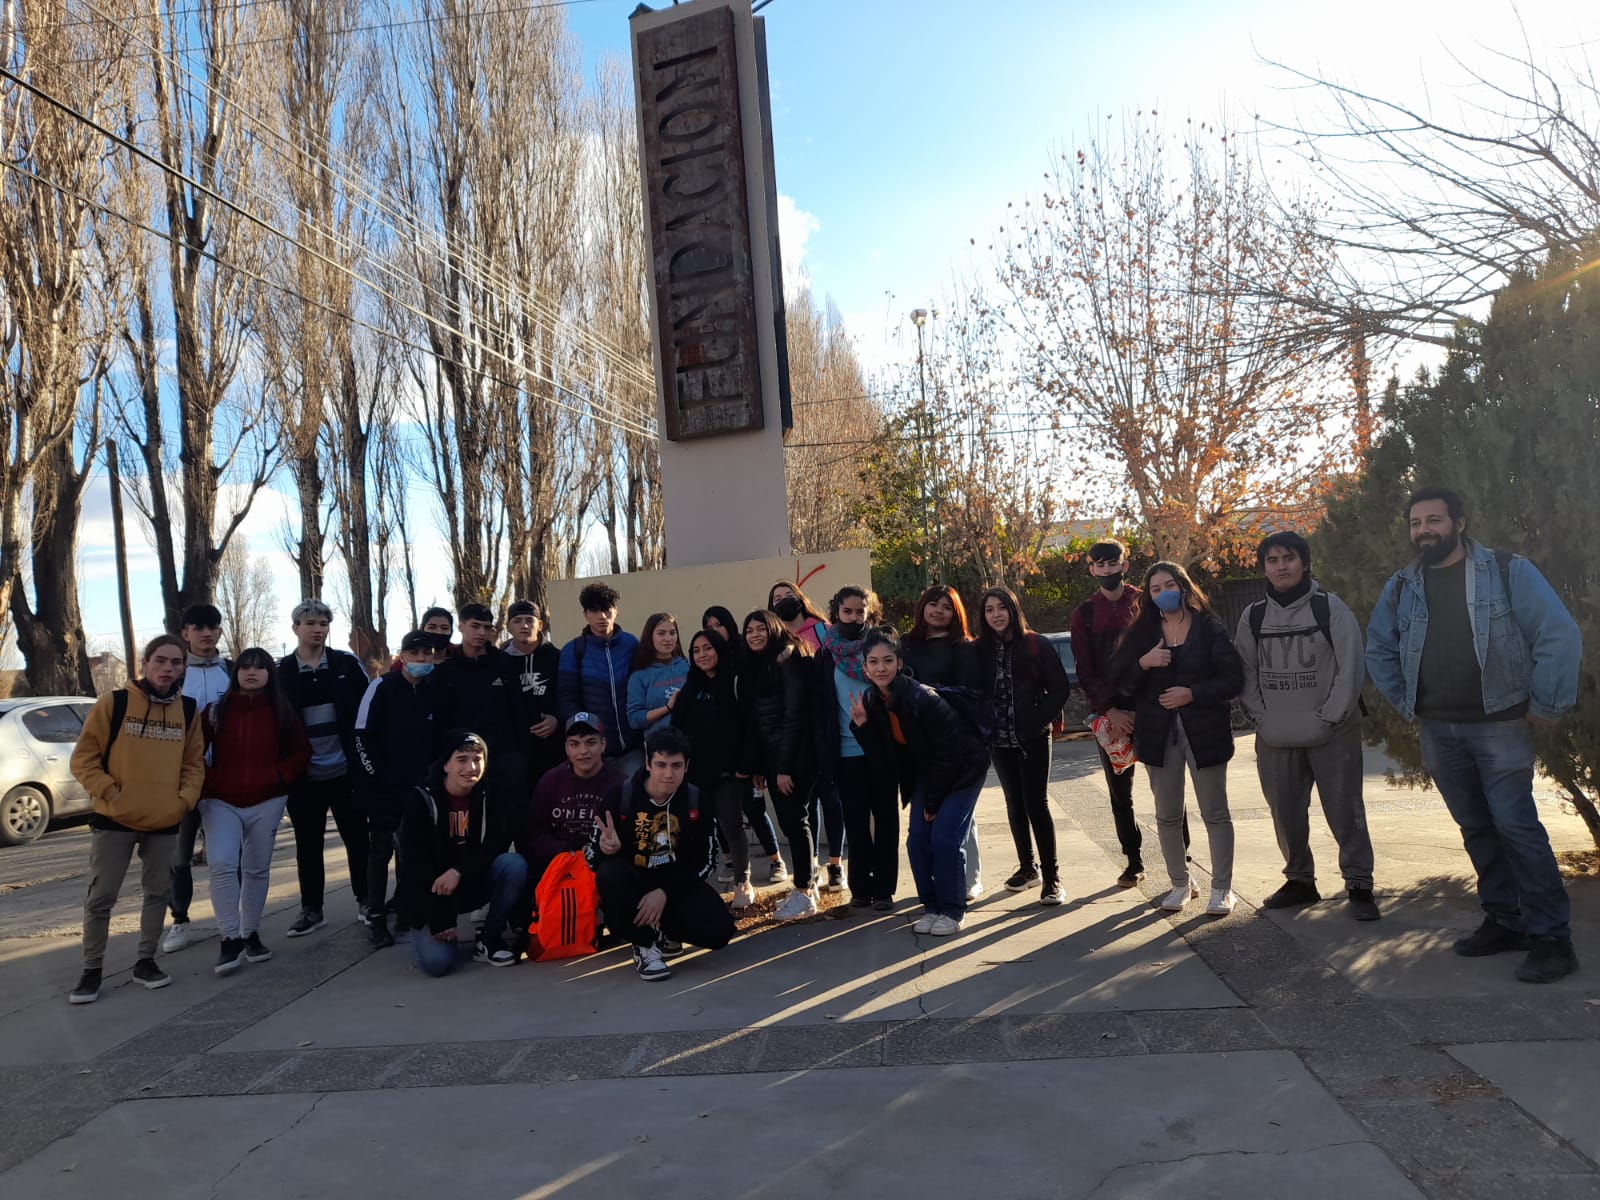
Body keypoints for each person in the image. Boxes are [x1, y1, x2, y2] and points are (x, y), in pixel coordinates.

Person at [1367, 487, 1583, 983]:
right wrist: (1407, 702)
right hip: (1439, 730)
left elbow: (1558, 633)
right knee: (1477, 830)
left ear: (1459, 523)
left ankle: (1552, 939)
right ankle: (1506, 921)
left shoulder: (1508, 571)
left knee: (1517, 829)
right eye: (1416, 522)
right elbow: (1379, 647)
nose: (1424, 530)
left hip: (1500, 726)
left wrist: (1547, 704)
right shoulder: (1403, 586)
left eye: (1434, 520)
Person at [1237, 532, 1380, 921]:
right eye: (1272, 559)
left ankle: (1359, 883)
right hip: (1276, 736)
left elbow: (1351, 667)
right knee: (1285, 813)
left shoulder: (1329, 608)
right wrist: (1261, 719)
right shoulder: (1253, 617)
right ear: (1263, 566)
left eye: (1289, 558)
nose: (1281, 566)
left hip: (1332, 732)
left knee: (1345, 810)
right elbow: (1245, 671)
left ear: (1304, 562)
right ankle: (1300, 879)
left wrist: (1330, 716)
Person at [66, 636, 206, 1004]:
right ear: (145, 663)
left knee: (158, 893)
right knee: (102, 897)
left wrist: (183, 802)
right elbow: (83, 760)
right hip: (114, 819)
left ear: (183, 669)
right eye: (161, 661)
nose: (168, 669)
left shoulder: (188, 711)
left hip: (164, 819)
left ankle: (146, 961)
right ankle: (91, 971)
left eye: (176, 663)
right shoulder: (115, 703)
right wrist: (111, 793)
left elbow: (194, 764)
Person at [1113, 563, 1244, 916]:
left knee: (1215, 813)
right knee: (1167, 815)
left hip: (1205, 732)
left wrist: (1193, 693)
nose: (1163, 592)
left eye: (1169, 585)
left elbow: (1233, 680)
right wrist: (1144, 662)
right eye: (1155, 589)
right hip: (1158, 734)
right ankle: (1180, 884)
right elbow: (1121, 683)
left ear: (1184, 587)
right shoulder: (1141, 634)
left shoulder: (1209, 628)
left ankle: (1222, 889)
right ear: (1148, 596)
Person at [850, 627, 990, 936]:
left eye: (888, 660)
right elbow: (885, 759)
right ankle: (931, 907)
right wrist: (862, 727)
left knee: (945, 839)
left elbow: (951, 753)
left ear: (899, 663)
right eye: (874, 662)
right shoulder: (872, 701)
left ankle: (953, 911)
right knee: (917, 842)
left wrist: (932, 802)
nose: (881, 667)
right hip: (930, 769)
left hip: (964, 766)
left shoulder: (921, 697)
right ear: (865, 668)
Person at [589, 725, 734, 982]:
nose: (668, 774)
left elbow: (707, 861)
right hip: (633, 883)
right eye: (661, 764)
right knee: (609, 873)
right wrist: (605, 849)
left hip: (674, 883)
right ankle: (643, 944)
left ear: (686, 766)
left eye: (676, 766)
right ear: (648, 763)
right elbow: (591, 859)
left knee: (719, 931)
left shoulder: (697, 800)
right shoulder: (618, 797)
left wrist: (665, 892)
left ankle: (665, 930)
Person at [200, 649, 312, 975]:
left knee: (256, 869)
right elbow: (192, 753)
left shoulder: (281, 712)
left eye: (259, 667)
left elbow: (302, 751)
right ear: (235, 672)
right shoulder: (215, 712)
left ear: (269, 674)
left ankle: (250, 934)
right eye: (245, 667)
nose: (251, 672)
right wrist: (211, 781)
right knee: (222, 863)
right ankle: (229, 938)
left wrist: (279, 777)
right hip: (221, 801)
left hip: (268, 800)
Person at [276, 600, 372, 938]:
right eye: (310, 623)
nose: (318, 628)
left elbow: (368, 709)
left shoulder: (346, 664)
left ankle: (366, 900)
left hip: (345, 770)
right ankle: (312, 909)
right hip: (304, 777)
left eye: (323, 623)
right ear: (295, 629)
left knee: (358, 838)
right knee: (308, 843)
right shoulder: (282, 673)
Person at [395, 731, 528, 975]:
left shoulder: (490, 794)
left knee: (513, 864)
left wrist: (458, 871)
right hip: (430, 891)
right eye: (462, 759)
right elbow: (414, 866)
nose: (471, 767)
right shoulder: (420, 800)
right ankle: (436, 932)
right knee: (438, 964)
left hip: (469, 881)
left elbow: (495, 845)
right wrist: (440, 917)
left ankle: (488, 938)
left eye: (478, 759)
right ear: (446, 764)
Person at [975, 586, 1073, 906]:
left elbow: (1059, 688)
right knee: (1014, 804)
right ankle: (1027, 868)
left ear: (1013, 609)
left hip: (1032, 738)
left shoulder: (1036, 644)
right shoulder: (980, 650)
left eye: (1001, 607)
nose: (996, 614)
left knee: (1036, 804)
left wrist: (1037, 719)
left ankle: (1052, 877)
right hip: (999, 741)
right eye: (989, 609)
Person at [1070, 540, 1151, 888]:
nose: (1106, 571)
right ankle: (1133, 860)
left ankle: (1182, 858)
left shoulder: (1146, 603)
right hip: (1111, 716)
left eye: (1112, 563)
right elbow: (1085, 670)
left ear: (1124, 564)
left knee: (1169, 788)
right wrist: (1110, 709)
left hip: (1152, 710)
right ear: (1091, 570)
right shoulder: (1084, 614)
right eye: (1099, 565)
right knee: (1120, 793)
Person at [353, 630, 442, 948]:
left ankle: (406, 910)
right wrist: (377, 777)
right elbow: (362, 735)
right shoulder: (382, 686)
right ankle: (376, 918)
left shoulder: (433, 690)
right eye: (414, 653)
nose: (421, 660)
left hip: (420, 790)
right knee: (380, 852)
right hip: (382, 789)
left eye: (427, 654)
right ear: (401, 656)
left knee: (413, 851)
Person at [674, 630, 771, 909]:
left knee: (731, 825)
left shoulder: (736, 681)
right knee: (698, 830)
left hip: (730, 773)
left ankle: (743, 881)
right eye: (696, 650)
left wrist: (747, 766)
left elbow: (751, 727)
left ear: (719, 650)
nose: (703, 654)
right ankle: (699, 883)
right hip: (695, 775)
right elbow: (677, 729)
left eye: (708, 648)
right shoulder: (690, 687)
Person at [900, 584, 984, 901]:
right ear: (922, 608)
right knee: (933, 823)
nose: (938, 610)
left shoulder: (964, 647)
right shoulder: (906, 645)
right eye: (932, 604)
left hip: (961, 743)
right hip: (920, 746)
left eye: (946, 606)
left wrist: (928, 691)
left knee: (959, 818)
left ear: (956, 613)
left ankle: (969, 878)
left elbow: (973, 694)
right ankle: (943, 880)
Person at [816, 585, 898, 910]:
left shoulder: (880, 647)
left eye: (859, 611)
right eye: (847, 611)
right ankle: (861, 888)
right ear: (836, 612)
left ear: (868, 612)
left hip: (880, 750)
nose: (853, 617)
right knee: (856, 823)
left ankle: (885, 890)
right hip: (846, 754)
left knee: (886, 821)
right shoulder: (826, 654)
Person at [740, 609, 821, 921]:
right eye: (750, 630)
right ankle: (806, 889)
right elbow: (761, 723)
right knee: (792, 822)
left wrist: (784, 768)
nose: (755, 635)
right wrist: (763, 766)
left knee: (795, 822)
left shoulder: (787, 662)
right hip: (775, 757)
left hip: (793, 757)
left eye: (761, 628)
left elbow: (792, 718)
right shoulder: (763, 664)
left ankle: (803, 893)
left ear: (773, 628)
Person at [161, 603, 232, 955]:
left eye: (213, 627)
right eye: (198, 627)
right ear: (185, 633)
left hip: (225, 781)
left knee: (227, 857)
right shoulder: (172, 675)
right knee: (179, 857)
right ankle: (180, 921)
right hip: (181, 781)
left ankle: (233, 922)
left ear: (220, 631)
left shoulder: (234, 671)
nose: (206, 633)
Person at [432, 602, 528, 815]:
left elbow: (519, 713)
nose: (481, 632)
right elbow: (441, 720)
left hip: (504, 760)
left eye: (486, 627)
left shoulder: (505, 664)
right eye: (475, 626)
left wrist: (519, 758)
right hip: (464, 762)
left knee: (510, 822)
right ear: (461, 626)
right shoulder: (446, 671)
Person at [523, 713, 627, 898]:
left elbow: (631, 833)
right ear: (566, 748)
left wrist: (614, 847)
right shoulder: (550, 781)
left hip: (602, 861)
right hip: (559, 860)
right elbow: (534, 832)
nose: (583, 751)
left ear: (603, 745)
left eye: (590, 742)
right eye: (574, 744)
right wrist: (566, 852)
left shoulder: (621, 784)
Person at [558, 582, 644, 778]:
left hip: (634, 749)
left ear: (616, 611)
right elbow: (567, 698)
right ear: (585, 614)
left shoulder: (632, 644)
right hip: (594, 755)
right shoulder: (572, 651)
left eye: (606, 609)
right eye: (594, 610)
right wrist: (584, 740)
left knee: (632, 804)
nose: (602, 617)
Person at [503, 599, 563, 784]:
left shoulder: (558, 657)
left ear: (540, 625)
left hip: (554, 749)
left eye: (530, 620)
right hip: (514, 751)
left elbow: (569, 696)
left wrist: (557, 720)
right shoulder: (499, 662)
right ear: (508, 626)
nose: (524, 625)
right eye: (517, 620)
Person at [627, 612, 689, 736]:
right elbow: (634, 719)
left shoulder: (687, 665)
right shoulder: (639, 675)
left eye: (672, 633)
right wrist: (668, 708)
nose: (668, 639)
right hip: (659, 746)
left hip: (689, 741)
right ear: (650, 637)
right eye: (661, 633)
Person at [768, 580, 828, 652]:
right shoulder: (774, 643)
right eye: (778, 599)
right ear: (772, 610)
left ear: (800, 601)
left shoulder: (826, 631)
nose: (785, 600)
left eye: (790, 596)